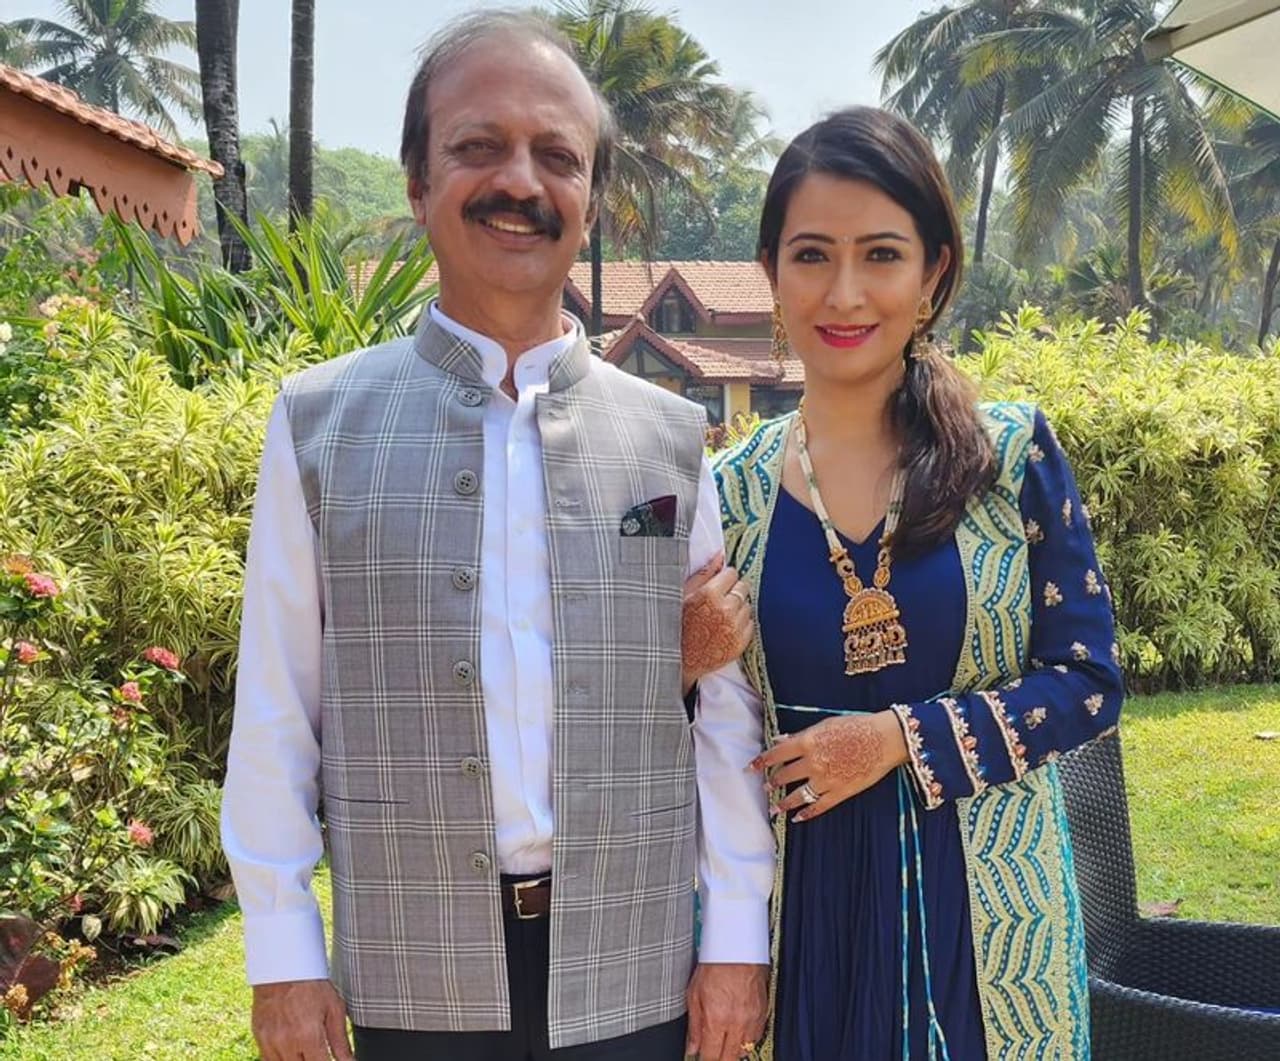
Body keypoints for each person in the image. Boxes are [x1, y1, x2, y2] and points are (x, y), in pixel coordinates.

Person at [220, 11, 773, 1061]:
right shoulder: (318, 425)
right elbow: (278, 709)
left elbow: (719, 713)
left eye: (557, 156)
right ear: (417, 182)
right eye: (478, 145)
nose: (520, 181)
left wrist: (737, 936)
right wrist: (282, 954)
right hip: (412, 970)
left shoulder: (668, 436)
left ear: (589, 201)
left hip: (634, 961)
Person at [712, 106, 1124, 1059]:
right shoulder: (726, 495)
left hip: (982, 907)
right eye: (811, 255)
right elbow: (704, 730)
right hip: (800, 907)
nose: (844, 292)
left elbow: (1088, 680)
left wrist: (900, 738)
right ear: (770, 271)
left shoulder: (1010, 457)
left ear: (933, 272)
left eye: (882, 255)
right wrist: (679, 658)